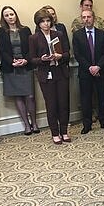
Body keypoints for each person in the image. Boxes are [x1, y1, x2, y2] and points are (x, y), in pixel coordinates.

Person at [29, 8, 71, 145]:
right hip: (46, 75)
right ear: (38, 23)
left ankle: (64, 131)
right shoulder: (33, 38)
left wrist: (60, 56)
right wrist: (42, 59)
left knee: (64, 103)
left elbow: (67, 54)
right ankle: (55, 133)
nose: (46, 24)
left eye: (48, 21)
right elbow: (32, 59)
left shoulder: (59, 34)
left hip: (61, 72)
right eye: (43, 21)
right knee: (51, 105)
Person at [0, 6, 40, 135]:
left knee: (30, 96)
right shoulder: (1, 31)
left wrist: (26, 59)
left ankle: (35, 123)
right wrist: (12, 61)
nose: (10, 17)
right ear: (3, 18)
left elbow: (31, 48)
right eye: (7, 15)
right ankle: (26, 125)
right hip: (11, 68)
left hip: (26, 66)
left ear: (16, 15)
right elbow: (2, 50)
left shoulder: (25, 30)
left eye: (12, 14)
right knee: (19, 97)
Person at [72, 9, 104, 134]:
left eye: (89, 17)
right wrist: (89, 67)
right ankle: (87, 125)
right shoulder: (77, 35)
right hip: (85, 72)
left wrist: (98, 67)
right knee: (86, 100)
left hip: (101, 71)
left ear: (93, 18)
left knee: (102, 98)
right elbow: (78, 54)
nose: (86, 19)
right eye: (84, 17)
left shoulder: (102, 34)